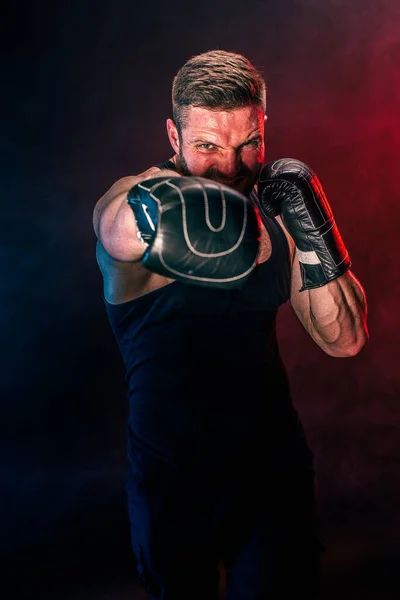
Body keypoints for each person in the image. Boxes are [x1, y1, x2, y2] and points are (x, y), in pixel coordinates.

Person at [93, 50, 368, 600]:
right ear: (173, 136)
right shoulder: (141, 197)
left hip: (271, 476)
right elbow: (115, 226)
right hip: (173, 480)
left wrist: (313, 226)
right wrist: (165, 218)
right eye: (207, 147)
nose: (232, 166)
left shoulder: (276, 206)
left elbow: (345, 340)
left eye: (248, 145)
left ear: (264, 127)